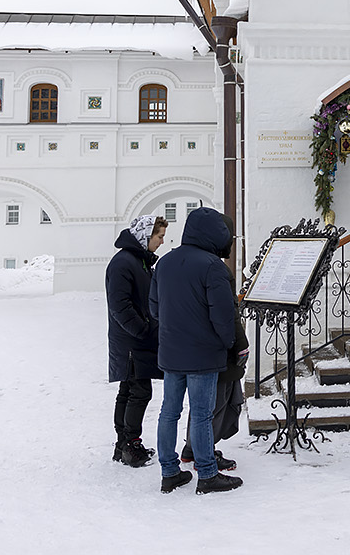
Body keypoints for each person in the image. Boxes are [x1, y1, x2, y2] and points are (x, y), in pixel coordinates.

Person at [149, 206, 243, 495]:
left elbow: (155, 309)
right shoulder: (213, 266)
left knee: (169, 412)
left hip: (171, 352)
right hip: (203, 354)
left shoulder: (164, 263)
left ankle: (169, 472)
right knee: (201, 414)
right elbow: (223, 316)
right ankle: (207, 474)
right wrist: (228, 343)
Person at [105, 215, 167, 468]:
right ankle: (131, 444)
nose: (162, 242)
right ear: (146, 235)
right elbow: (120, 305)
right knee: (138, 392)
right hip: (131, 342)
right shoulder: (123, 263)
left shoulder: (138, 261)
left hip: (134, 340)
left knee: (128, 391)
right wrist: (143, 330)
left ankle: (124, 444)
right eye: (159, 236)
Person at [182, 308, 249, 472]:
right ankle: (205, 453)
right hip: (217, 346)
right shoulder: (217, 281)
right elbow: (226, 312)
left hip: (193, 341)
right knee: (216, 402)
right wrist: (240, 344)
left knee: (201, 402)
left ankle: (192, 448)